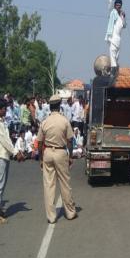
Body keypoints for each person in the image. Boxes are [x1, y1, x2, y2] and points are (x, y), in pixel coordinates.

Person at [37, 94, 77, 224]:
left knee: (49, 185)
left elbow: (39, 142)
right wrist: (70, 156)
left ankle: (51, 216)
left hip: (48, 151)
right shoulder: (64, 121)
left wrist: (41, 159)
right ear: (59, 106)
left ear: (49, 106)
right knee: (65, 183)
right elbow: (70, 140)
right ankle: (70, 212)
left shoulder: (45, 121)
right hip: (60, 152)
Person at [0, 98, 22, 224]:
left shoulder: (1, 121)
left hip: (4, 155)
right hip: (0, 156)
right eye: (4, 109)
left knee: (1, 185)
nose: (6, 111)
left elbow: (7, 139)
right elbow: (4, 140)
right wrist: (15, 153)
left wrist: (15, 152)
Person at [105, 0, 126, 76]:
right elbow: (109, 2)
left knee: (117, 56)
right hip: (112, 36)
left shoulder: (120, 16)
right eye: (117, 5)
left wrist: (123, 16)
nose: (118, 6)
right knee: (112, 52)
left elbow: (124, 26)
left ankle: (115, 69)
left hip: (118, 38)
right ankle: (113, 69)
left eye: (119, 5)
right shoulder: (112, 12)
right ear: (115, 6)